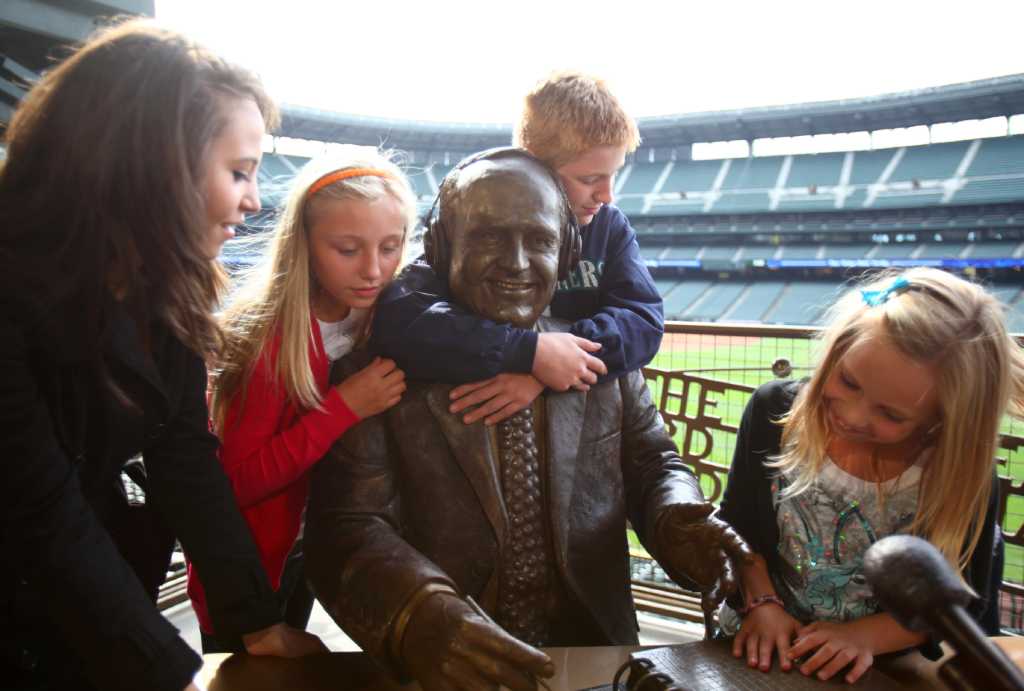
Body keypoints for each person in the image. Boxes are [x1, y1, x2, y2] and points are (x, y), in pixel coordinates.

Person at [305, 148, 751, 691]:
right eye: (491, 237)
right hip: (447, 669)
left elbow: (655, 465)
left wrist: (684, 521)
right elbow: (345, 528)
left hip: (597, 654)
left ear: (566, 252)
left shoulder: (597, 354)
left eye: (538, 240)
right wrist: (419, 614)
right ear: (443, 247)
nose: (517, 262)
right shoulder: (378, 372)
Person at [0, 20, 322, 691]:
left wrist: (255, 619)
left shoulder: (158, 290)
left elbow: (184, 457)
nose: (254, 200)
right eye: (238, 172)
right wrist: (168, 670)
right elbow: (43, 514)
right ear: (154, 162)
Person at [719, 267, 1024, 684]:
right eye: (848, 380)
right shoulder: (773, 411)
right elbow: (736, 530)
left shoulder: (956, 474)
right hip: (762, 640)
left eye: (891, 414)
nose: (852, 415)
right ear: (838, 348)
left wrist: (864, 636)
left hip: (881, 667)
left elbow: (958, 601)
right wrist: (763, 603)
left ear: (941, 421)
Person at [187, 148, 413, 651]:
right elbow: (233, 484)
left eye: (391, 246)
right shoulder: (265, 339)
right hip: (243, 575)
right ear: (303, 244)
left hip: (311, 552)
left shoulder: (386, 320)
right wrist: (343, 408)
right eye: (347, 249)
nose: (374, 270)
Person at [370, 71, 662, 426]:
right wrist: (528, 353)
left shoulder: (610, 227)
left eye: (612, 175)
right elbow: (401, 315)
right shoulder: (472, 217)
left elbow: (643, 320)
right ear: (534, 168)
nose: (607, 195)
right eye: (589, 179)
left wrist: (552, 364)